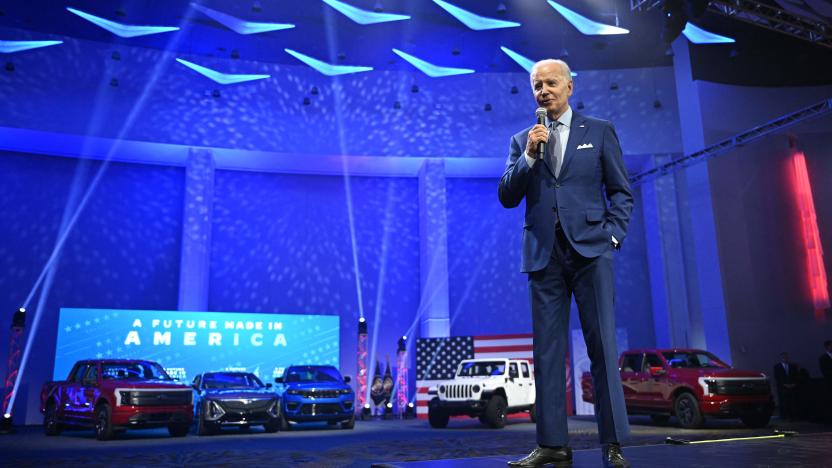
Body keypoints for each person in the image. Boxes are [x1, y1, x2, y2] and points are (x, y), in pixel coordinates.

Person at [498, 59, 633, 468]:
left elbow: (621, 193)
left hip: (591, 252)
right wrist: (528, 159)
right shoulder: (523, 139)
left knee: (603, 348)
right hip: (544, 257)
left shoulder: (601, 131)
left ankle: (612, 443)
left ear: (570, 86)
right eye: (537, 85)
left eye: (551, 83)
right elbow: (506, 195)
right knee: (547, 353)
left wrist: (612, 235)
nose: (543, 90)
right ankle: (553, 444)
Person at [773, 352, 799, 419]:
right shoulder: (777, 367)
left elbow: (795, 376)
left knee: (793, 402)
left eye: (786, 357)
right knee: (784, 402)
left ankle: (793, 416)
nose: (785, 358)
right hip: (783, 388)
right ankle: (785, 416)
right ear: (781, 358)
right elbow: (777, 377)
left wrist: (794, 384)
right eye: (783, 357)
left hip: (792, 387)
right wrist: (784, 384)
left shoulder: (793, 366)